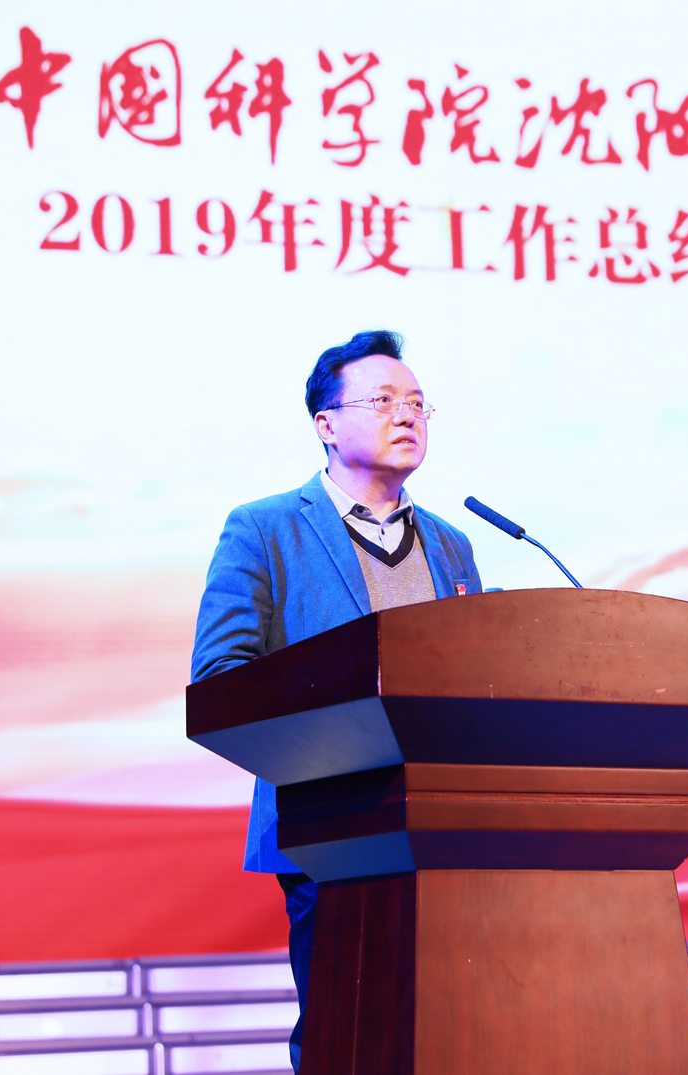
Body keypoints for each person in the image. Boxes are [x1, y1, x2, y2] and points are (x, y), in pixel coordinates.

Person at [189, 329, 482, 1072]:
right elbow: (222, 675)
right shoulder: (264, 529)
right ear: (326, 423)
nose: (406, 415)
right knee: (345, 1039)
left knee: (451, 1038)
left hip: (450, 835)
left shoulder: (452, 544)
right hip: (328, 830)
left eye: (417, 402)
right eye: (382, 400)